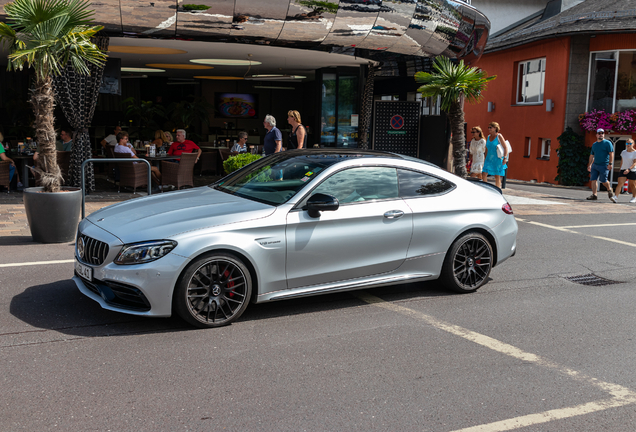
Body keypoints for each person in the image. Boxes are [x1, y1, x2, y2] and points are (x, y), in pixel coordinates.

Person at [587, 128, 617, 202]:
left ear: (604, 134)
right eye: (599, 133)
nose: (601, 134)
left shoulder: (607, 143)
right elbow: (591, 155)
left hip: (604, 165)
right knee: (593, 180)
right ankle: (594, 195)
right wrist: (590, 165)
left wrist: (610, 163)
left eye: (602, 133)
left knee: (603, 181)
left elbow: (611, 153)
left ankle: (609, 189)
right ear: (596, 135)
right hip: (595, 165)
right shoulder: (594, 144)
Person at [482, 122, 508, 188]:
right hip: (489, 159)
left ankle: (497, 190)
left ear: (495, 128)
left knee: (497, 176)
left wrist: (505, 157)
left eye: (490, 127)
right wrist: (485, 158)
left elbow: (505, 147)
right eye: (488, 127)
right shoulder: (488, 137)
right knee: (484, 173)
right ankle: (485, 188)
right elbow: (487, 149)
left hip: (497, 159)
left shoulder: (499, 136)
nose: (489, 129)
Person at [612, 138, 636, 203]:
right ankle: (615, 197)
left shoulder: (635, 153)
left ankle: (634, 197)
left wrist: (629, 169)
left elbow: (635, 163)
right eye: (627, 143)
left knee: (632, 185)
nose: (628, 145)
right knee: (620, 183)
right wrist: (621, 168)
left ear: (633, 144)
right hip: (623, 169)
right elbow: (622, 161)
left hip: (632, 170)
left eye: (630, 143)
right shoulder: (623, 152)